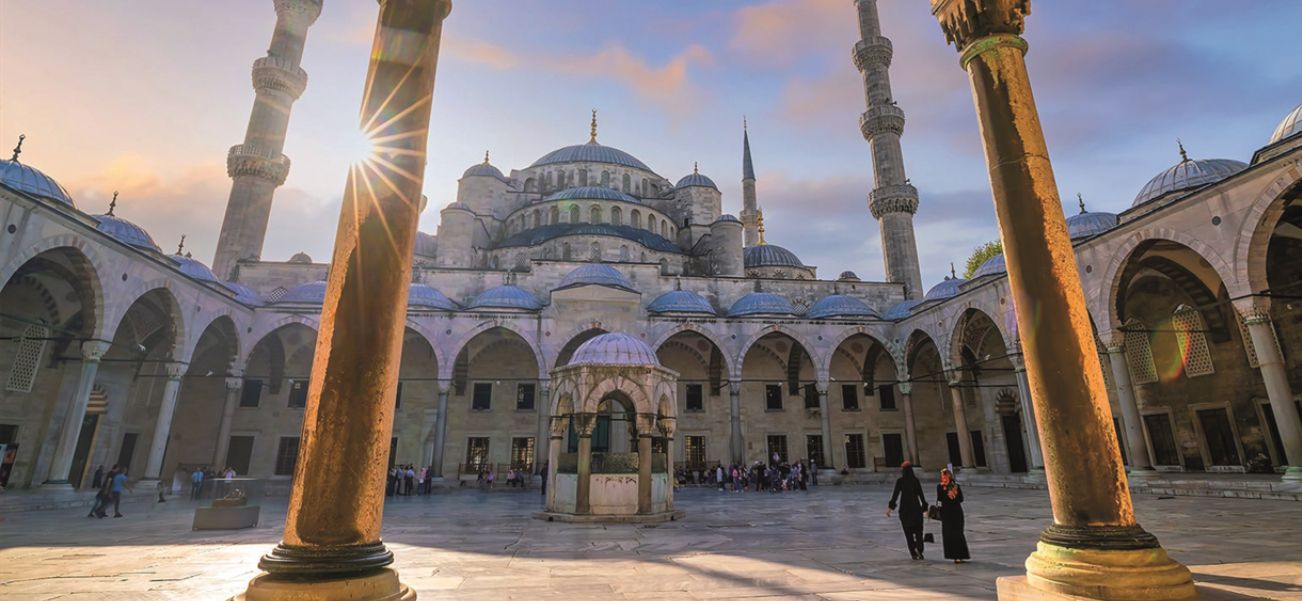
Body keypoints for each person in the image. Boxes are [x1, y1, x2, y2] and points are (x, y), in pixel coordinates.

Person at [887, 461, 928, 560]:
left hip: (905, 510)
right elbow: (921, 496)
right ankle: (920, 549)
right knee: (918, 532)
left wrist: (890, 508)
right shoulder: (915, 480)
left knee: (908, 532)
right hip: (916, 508)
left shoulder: (900, 481)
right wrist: (925, 509)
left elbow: (895, 495)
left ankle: (913, 552)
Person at [937, 468, 970, 563]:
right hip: (946, 514)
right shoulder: (940, 487)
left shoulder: (955, 486)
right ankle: (954, 556)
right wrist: (944, 490)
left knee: (958, 534)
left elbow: (961, 499)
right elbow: (940, 498)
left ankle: (961, 555)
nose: (944, 479)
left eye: (945, 477)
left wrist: (953, 493)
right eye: (942, 477)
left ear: (949, 476)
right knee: (949, 535)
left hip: (956, 513)